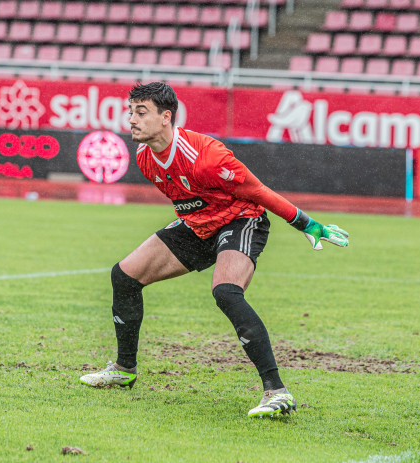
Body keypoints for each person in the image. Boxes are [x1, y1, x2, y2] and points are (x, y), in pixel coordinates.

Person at [80, 82, 349, 418]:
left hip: (241, 220)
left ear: (166, 117)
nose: (131, 119)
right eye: (130, 111)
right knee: (124, 276)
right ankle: (123, 369)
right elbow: (190, 202)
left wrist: (307, 224)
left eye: (141, 112)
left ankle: (277, 392)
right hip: (198, 224)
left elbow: (259, 192)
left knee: (226, 292)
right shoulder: (145, 157)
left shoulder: (207, 156)